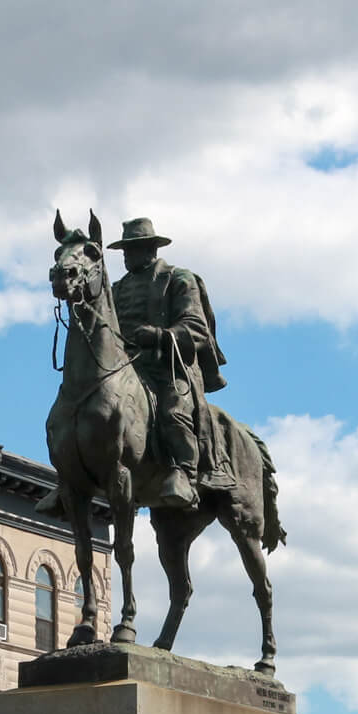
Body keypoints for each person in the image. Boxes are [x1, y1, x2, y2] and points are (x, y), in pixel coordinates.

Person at [105, 217, 231, 510]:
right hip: (127, 370)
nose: (127, 256)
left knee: (173, 411)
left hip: (170, 367)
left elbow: (197, 328)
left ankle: (186, 473)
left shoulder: (179, 279)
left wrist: (161, 336)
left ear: (151, 249)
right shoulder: (117, 289)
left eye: (133, 249)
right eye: (125, 250)